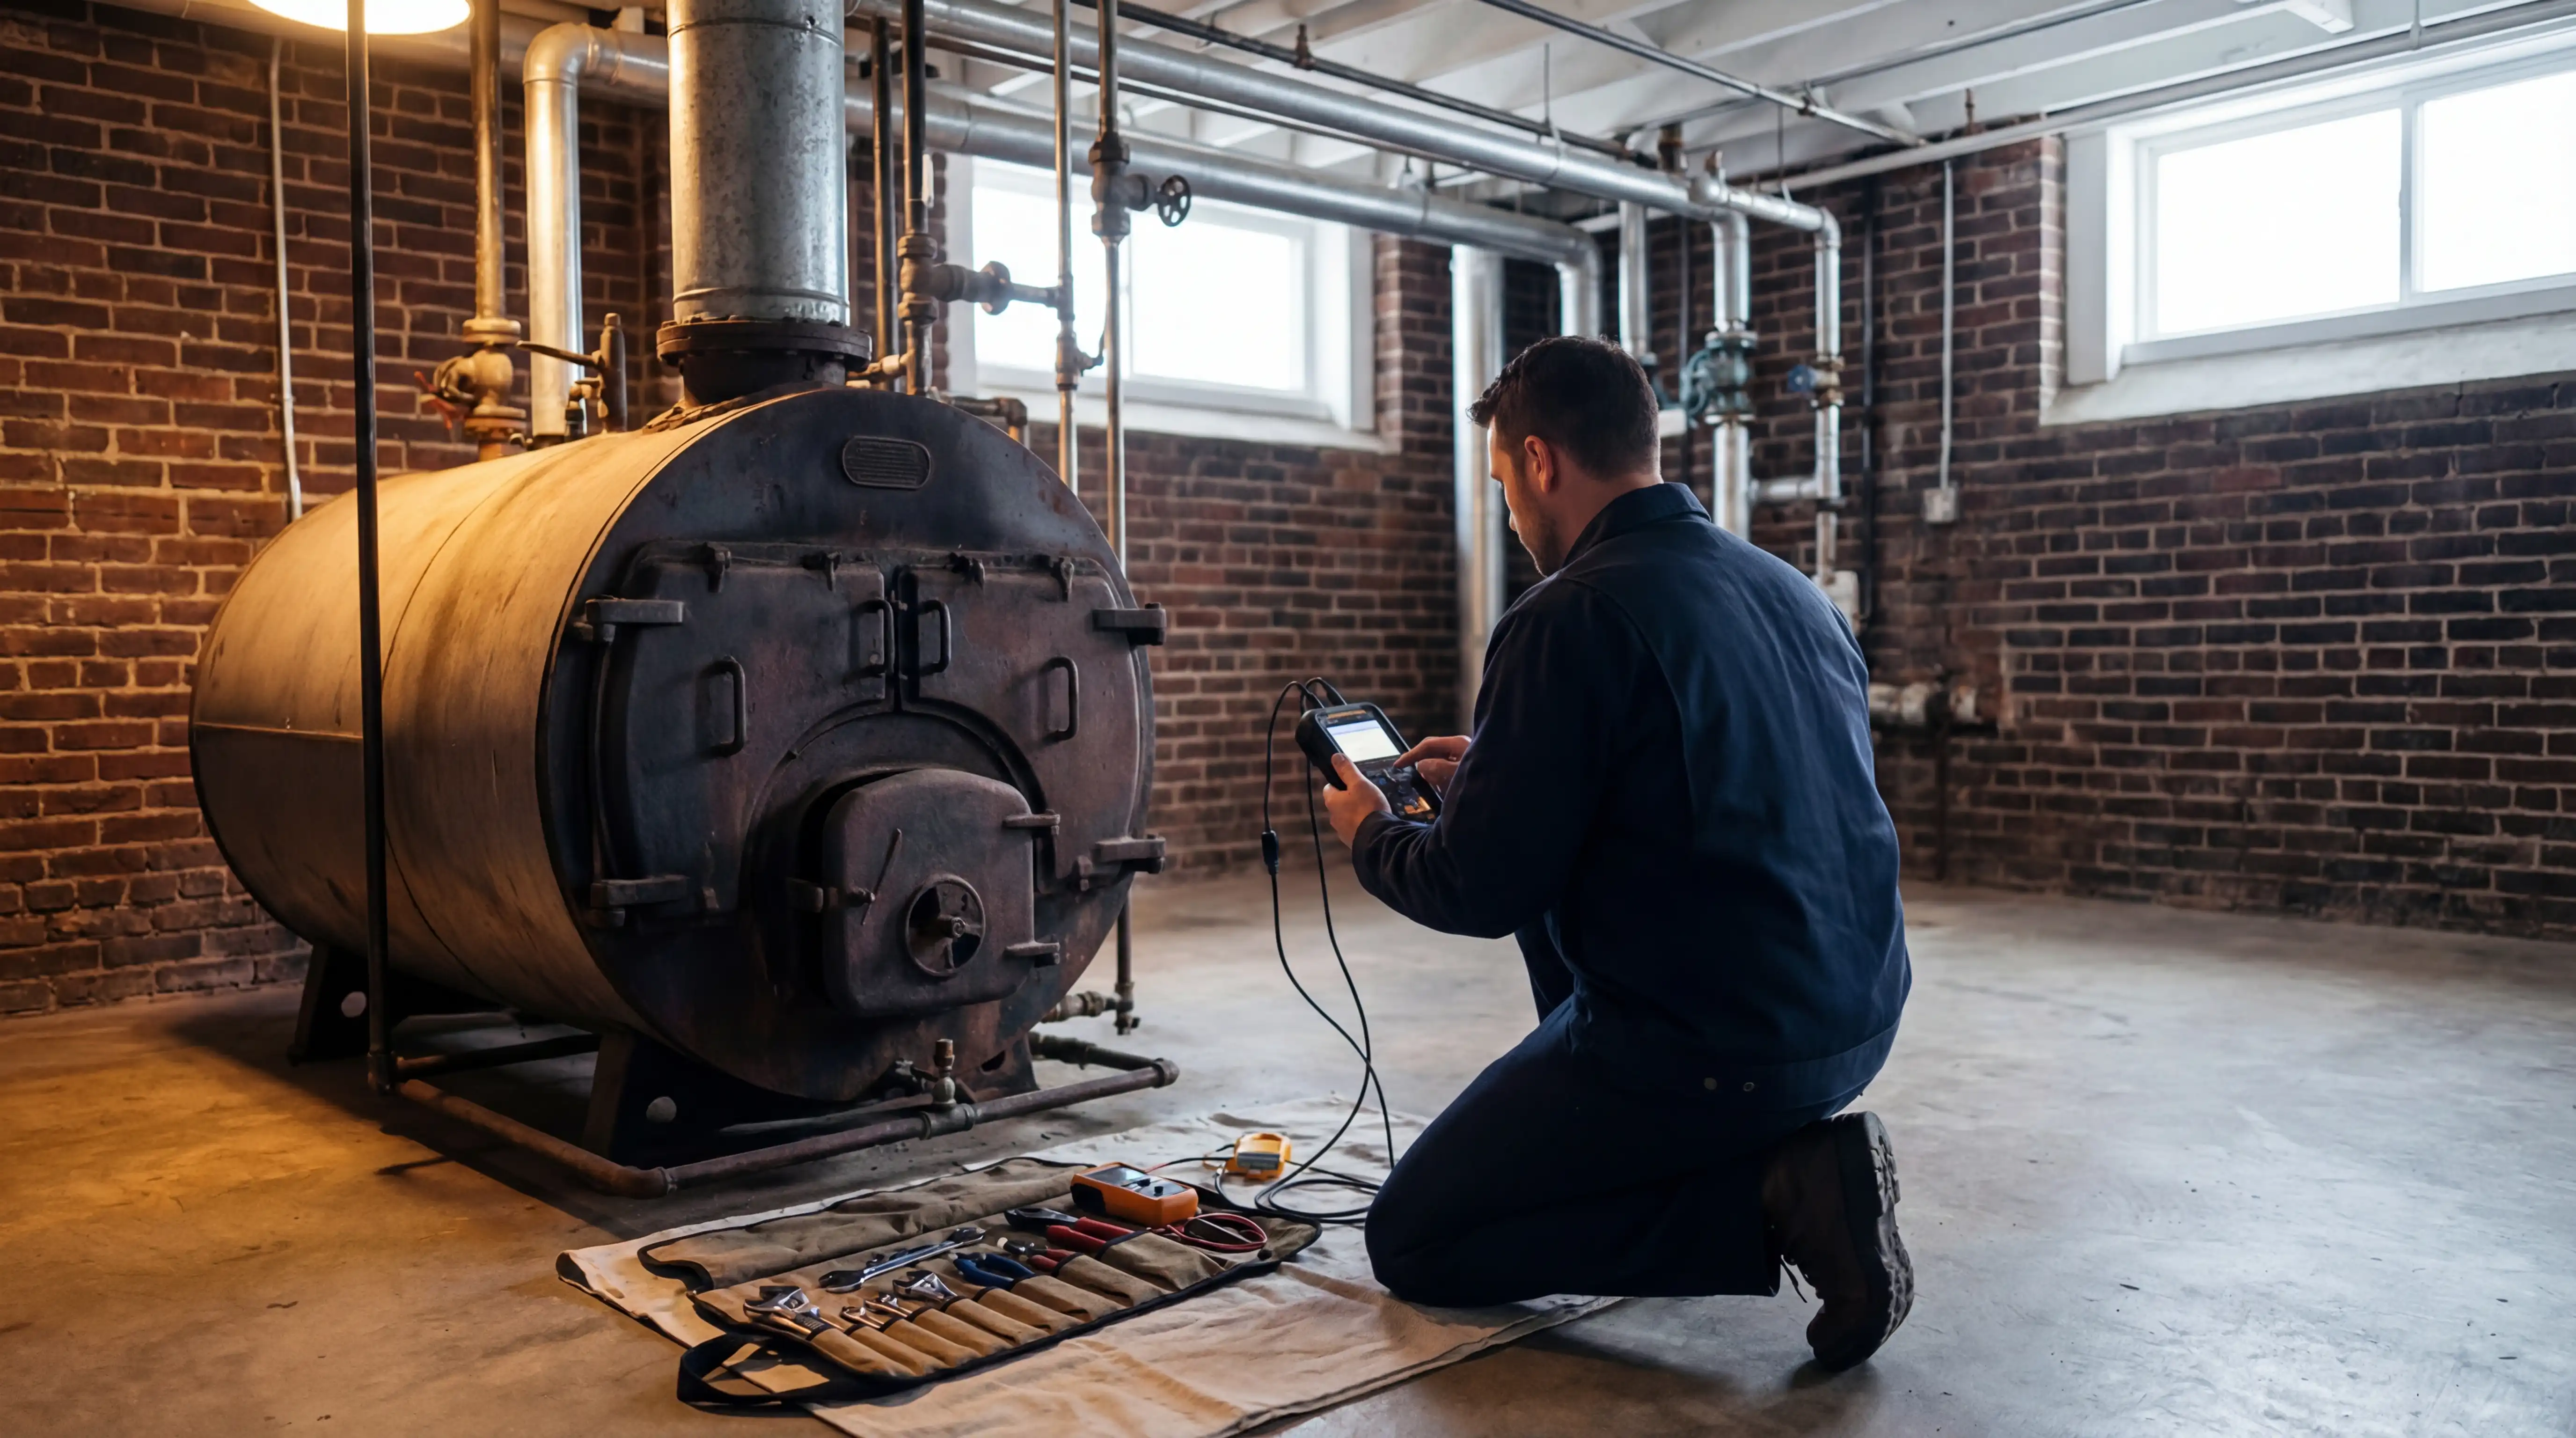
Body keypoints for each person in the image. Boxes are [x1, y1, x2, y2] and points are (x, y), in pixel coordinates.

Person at [1319, 335, 1914, 1371]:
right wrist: (1512, 773)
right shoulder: (1793, 593)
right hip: (1854, 1019)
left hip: (1716, 1052)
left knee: (1416, 1237)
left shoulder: (1569, 613)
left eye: (1505, 483)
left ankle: (1780, 1198)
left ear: (1542, 462)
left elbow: (1476, 886)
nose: (1509, 514)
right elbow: (1723, 783)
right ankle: (1757, 1152)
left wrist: (1371, 833)